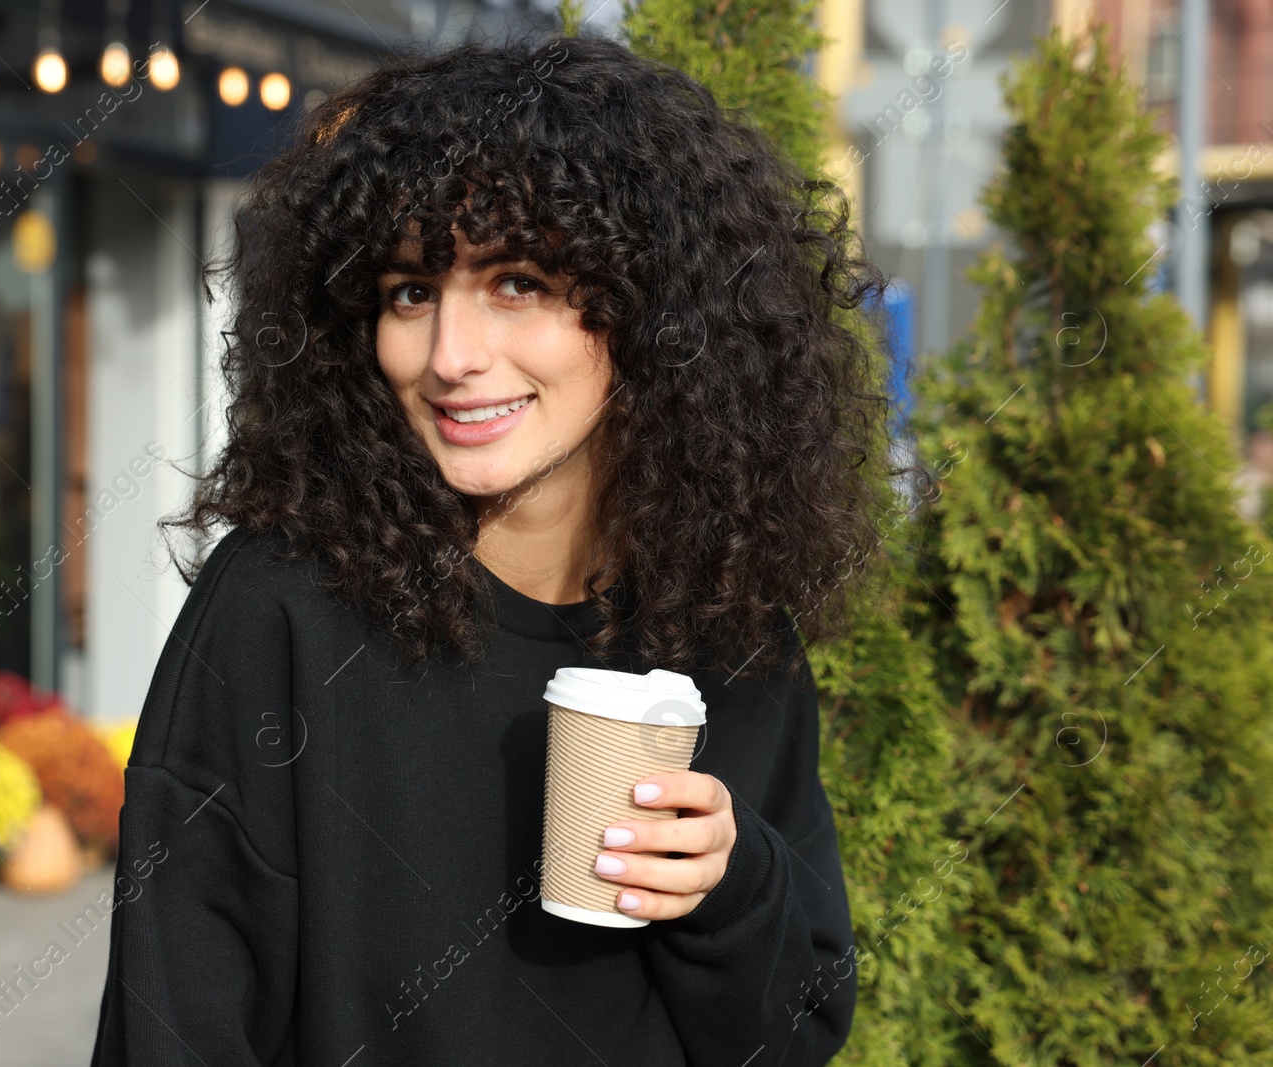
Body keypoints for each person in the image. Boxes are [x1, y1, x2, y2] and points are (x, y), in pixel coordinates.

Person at [90, 32, 890, 1067]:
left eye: (516, 281)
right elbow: (173, 1022)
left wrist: (724, 884)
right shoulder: (284, 606)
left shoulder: (728, 628)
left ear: (650, 309)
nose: (450, 357)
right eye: (409, 291)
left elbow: (790, 1034)